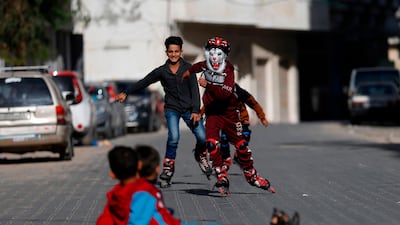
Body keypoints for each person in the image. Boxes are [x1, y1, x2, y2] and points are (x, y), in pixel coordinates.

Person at [115, 36, 211, 188]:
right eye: (170, 51)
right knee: (173, 137)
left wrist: (195, 111)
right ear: (166, 52)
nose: (173, 54)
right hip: (172, 108)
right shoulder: (162, 71)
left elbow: (195, 91)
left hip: (188, 109)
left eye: (176, 51)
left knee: (202, 136)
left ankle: (200, 154)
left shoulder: (188, 69)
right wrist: (126, 92)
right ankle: (168, 168)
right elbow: (144, 81)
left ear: (181, 52)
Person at [183, 37, 275, 194]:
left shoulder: (229, 70)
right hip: (213, 114)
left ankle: (251, 175)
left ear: (224, 56)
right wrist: (184, 74)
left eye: (219, 54)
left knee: (242, 146)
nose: (214, 57)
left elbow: (224, 94)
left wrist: (209, 85)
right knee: (211, 144)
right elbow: (196, 67)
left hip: (230, 114)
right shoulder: (205, 65)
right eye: (211, 53)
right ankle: (221, 176)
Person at [96, 145, 206, 225]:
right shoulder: (144, 192)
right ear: (139, 166)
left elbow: (104, 220)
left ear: (112, 174)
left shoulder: (115, 194)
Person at [198, 82, 269, 171]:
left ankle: (238, 155)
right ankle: (226, 159)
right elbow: (209, 104)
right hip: (227, 120)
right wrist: (199, 114)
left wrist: (262, 117)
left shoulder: (238, 91)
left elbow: (253, 102)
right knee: (224, 138)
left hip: (241, 119)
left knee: (244, 137)